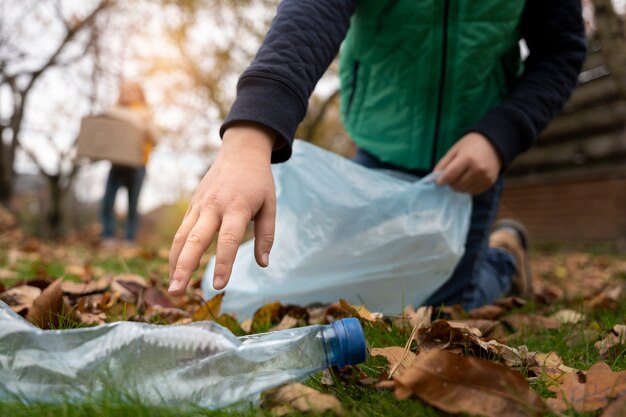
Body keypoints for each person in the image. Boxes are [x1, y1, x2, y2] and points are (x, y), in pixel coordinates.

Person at [167, 1, 586, 309]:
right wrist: (251, 132)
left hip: (472, 160)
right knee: (363, 290)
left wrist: (501, 135)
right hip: (380, 145)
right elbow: (315, 10)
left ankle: (503, 257)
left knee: (443, 310)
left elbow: (561, 52)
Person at [100, 82, 156, 248]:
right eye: (125, 91)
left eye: (132, 91)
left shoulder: (148, 114)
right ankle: (108, 237)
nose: (128, 94)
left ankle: (129, 240)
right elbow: (108, 112)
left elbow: (155, 139)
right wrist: (136, 117)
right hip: (117, 164)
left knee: (133, 204)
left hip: (138, 165)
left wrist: (145, 124)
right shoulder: (115, 110)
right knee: (108, 201)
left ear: (140, 93)